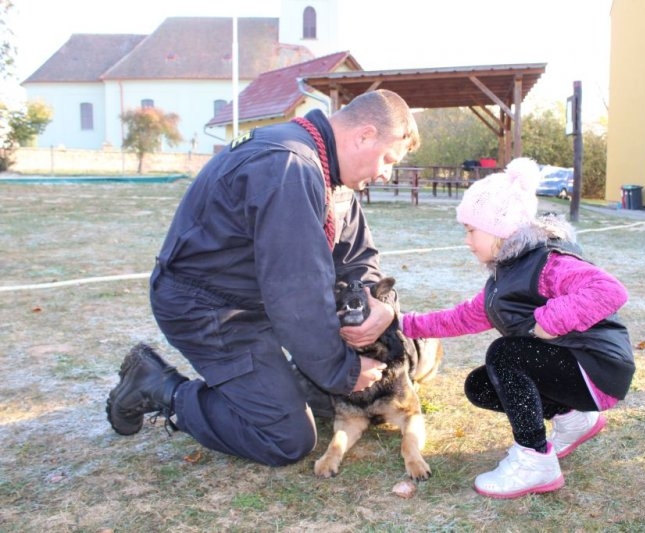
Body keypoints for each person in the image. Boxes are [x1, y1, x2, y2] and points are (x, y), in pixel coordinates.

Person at [106, 89, 421, 466]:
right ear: (364, 135)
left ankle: (275, 384)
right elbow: (295, 293)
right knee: (285, 439)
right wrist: (342, 369)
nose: (386, 174)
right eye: (388, 159)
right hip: (208, 309)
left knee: (339, 391)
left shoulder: (329, 171)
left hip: (255, 304)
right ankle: (160, 388)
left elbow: (359, 260)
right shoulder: (289, 167)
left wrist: (381, 307)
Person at [389, 157, 635, 499]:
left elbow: (609, 290)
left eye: (471, 230)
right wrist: (400, 323)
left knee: (504, 354)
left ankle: (535, 460)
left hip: (598, 368)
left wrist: (549, 321)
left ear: (500, 228)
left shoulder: (549, 263)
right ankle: (574, 419)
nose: (466, 240)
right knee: (481, 385)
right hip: (574, 370)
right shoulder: (504, 277)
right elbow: (461, 317)